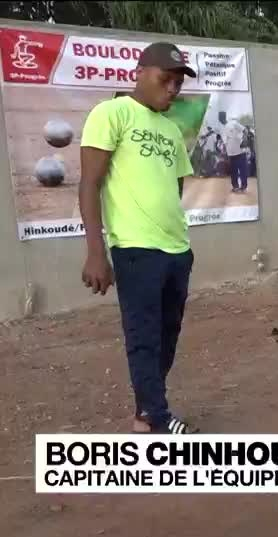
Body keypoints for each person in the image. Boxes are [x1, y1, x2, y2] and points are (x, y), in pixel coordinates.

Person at [78, 42, 200, 434]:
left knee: (166, 337)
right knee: (143, 337)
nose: (173, 89)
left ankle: (145, 414)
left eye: (178, 83)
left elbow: (173, 189)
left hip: (177, 250)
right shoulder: (111, 113)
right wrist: (96, 252)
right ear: (140, 73)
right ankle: (160, 421)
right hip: (135, 249)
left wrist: (180, 243)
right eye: (166, 79)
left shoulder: (172, 130)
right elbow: (90, 183)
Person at [218, 111, 248, 192]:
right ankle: (235, 187)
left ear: (224, 117)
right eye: (219, 117)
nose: (220, 119)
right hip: (231, 153)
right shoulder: (222, 130)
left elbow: (245, 130)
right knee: (233, 171)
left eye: (221, 117)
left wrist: (245, 139)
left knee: (243, 170)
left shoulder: (233, 123)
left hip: (240, 151)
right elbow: (225, 143)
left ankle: (244, 187)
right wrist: (224, 152)